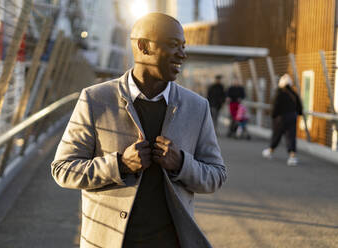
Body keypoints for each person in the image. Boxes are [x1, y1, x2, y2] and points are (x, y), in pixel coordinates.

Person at [51, 13, 226, 248]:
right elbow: (62, 169)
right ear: (143, 46)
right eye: (174, 45)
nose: (182, 54)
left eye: (183, 47)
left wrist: (182, 163)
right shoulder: (95, 99)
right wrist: (119, 164)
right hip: (109, 241)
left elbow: (216, 175)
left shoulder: (197, 107)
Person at [262, 74, 303, 166]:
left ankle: (270, 150)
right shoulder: (293, 93)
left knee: (276, 135)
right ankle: (292, 156)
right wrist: (298, 113)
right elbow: (299, 106)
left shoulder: (279, 93)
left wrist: (273, 116)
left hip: (280, 119)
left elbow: (275, 106)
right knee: (291, 137)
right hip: (292, 117)